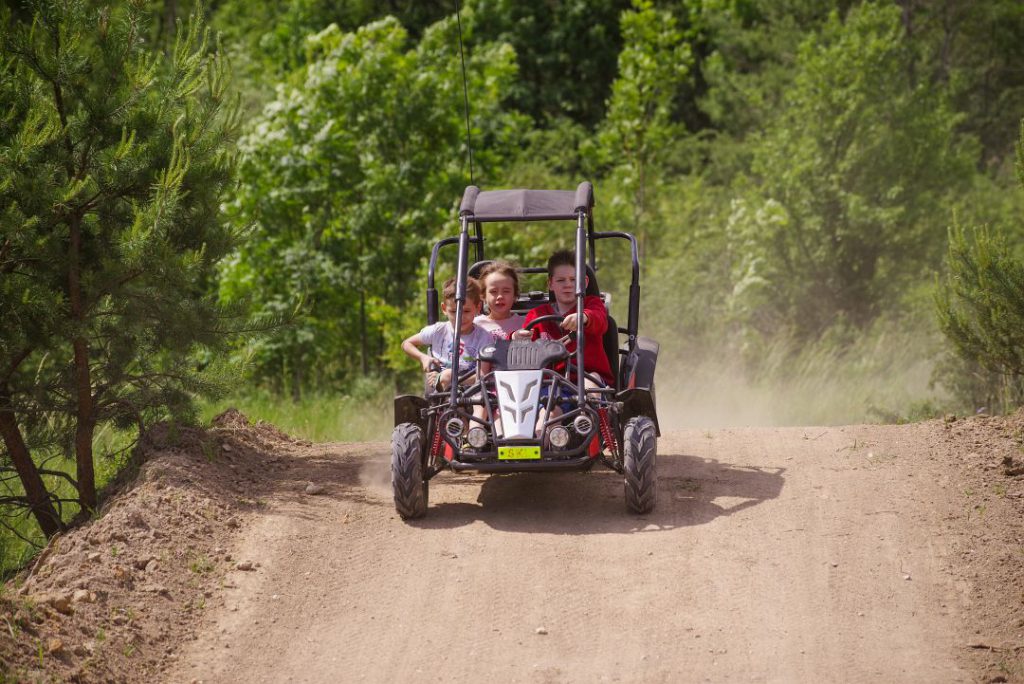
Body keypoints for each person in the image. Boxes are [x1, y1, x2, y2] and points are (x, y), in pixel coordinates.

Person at [514, 249, 613, 386]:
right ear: (550, 284)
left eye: (573, 280)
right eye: (561, 280)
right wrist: (516, 337)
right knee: (549, 404)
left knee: (589, 382)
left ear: (584, 282)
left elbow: (600, 321)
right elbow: (523, 353)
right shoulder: (536, 315)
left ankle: (588, 407)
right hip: (550, 382)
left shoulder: (591, 305)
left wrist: (583, 317)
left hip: (588, 376)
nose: (568, 285)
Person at [402, 277, 492, 393]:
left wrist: (452, 378)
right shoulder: (438, 331)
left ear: (478, 308)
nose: (460, 317)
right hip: (439, 387)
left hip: (471, 388)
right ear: (444, 309)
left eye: (466, 311)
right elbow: (406, 344)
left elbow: (482, 375)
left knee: (449, 375)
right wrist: (423, 358)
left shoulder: (484, 337)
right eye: (454, 312)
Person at [475, 260, 525, 340]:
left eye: (506, 291)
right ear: (483, 295)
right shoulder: (475, 325)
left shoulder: (525, 324)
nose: (500, 296)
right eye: (493, 291)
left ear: (515, 295)